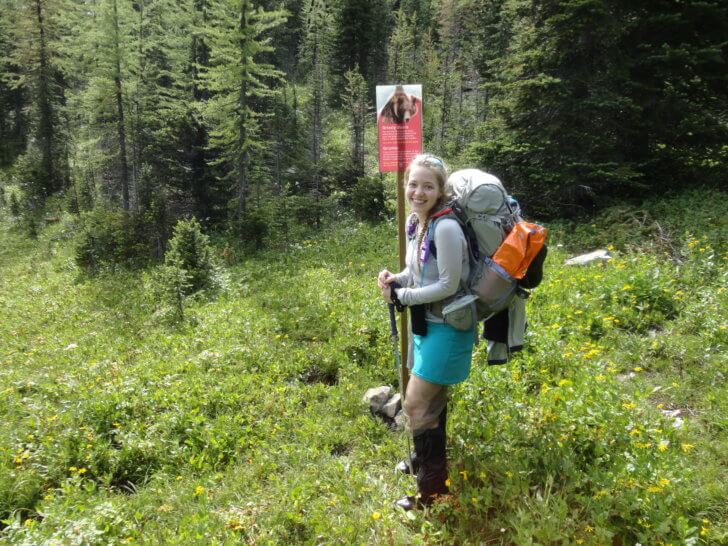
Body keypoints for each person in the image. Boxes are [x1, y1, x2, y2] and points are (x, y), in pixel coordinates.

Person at [377, 154, 476, 510]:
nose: (418, 192)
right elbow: (415, 272)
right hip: (426, 325)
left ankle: (431, 494)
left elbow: (449, 284)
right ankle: (425, 463)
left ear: (440, 190)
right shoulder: (417, 222)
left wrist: (404, 296)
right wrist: (396, 280)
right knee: (431, 402)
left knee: (416, 403)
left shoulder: (446, 227)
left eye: (427, 186)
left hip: (448, 327)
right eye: (413, 184)